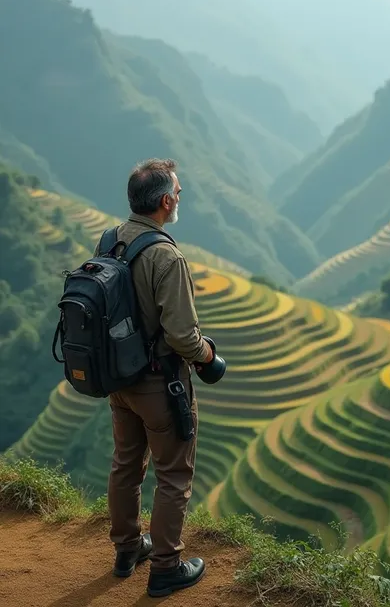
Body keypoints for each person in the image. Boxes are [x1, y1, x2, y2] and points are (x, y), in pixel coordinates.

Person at [100, 158, 214, 597]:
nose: (180, 198)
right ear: (165, 201)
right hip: (159, 385)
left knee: (126, 464)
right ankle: (166, 566)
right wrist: (209, 356)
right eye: (179, 193)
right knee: (173, 475)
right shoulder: (165, 255)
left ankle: (128, 547)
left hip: (118, 379)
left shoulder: (111, 240)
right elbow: (183, 337)